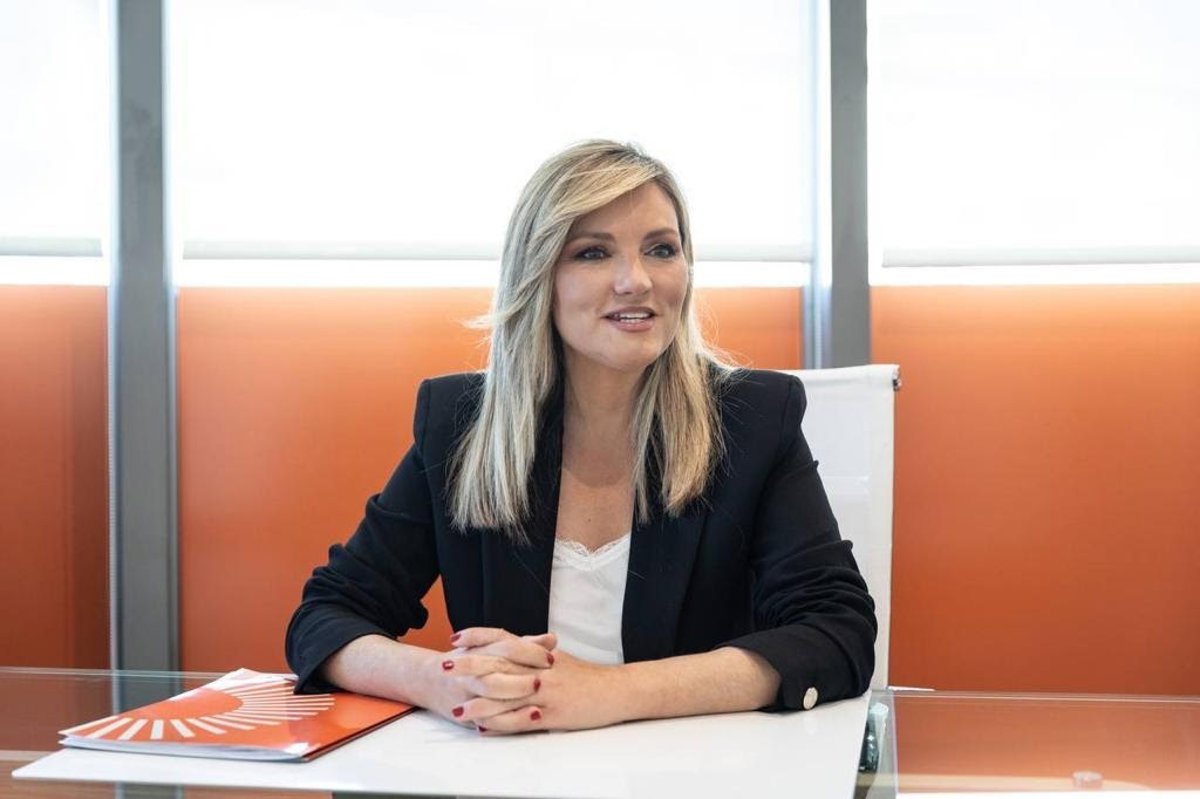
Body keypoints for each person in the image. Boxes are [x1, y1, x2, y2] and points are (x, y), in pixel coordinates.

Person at [285, 140, 876, 734]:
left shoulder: (753, 418)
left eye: (661, 249)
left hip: (696, 769)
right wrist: (442, 680)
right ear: (538, 276)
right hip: (513, 770)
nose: (635, 281)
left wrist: (608, 691)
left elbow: (836, 630)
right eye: (593, 253)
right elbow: (327, 615)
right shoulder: (461, 426)